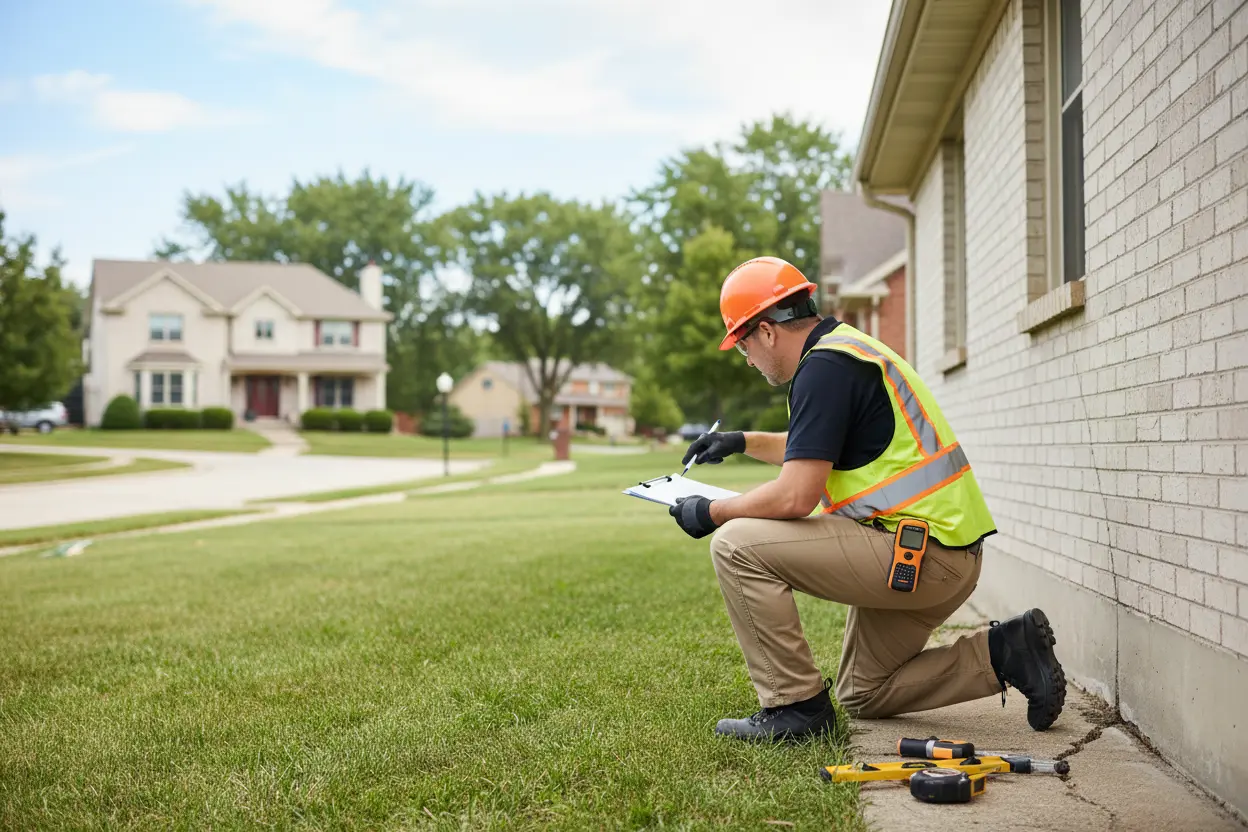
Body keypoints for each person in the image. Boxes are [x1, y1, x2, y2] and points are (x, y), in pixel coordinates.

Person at [668, 255, 1067, 742]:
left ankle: (795, 708)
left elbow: (797, 495)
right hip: (938, 554)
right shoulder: (844, 353)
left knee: (735, 545)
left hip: (922, 556)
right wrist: (741, 441)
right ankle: (1007, 650)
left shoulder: (825, 369)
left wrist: (710, 512)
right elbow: (816, 448)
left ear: (768, 331)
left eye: (743, 344)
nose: (748, 359)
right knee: (864, 691)